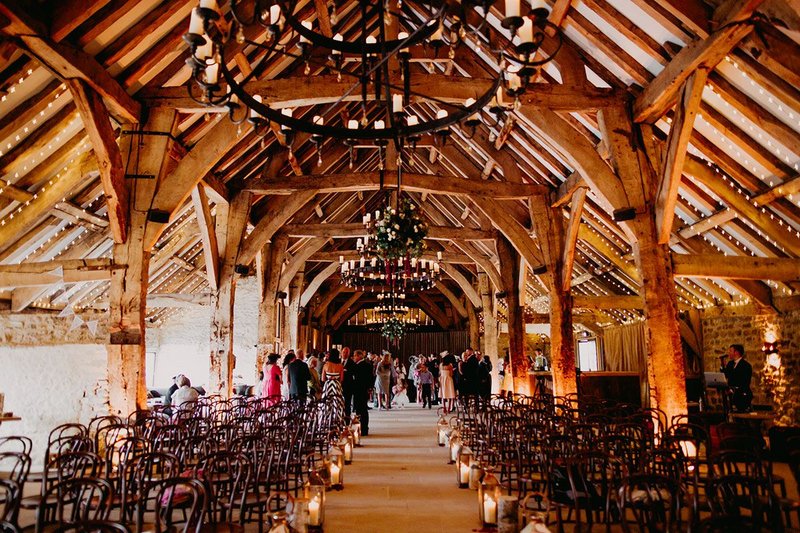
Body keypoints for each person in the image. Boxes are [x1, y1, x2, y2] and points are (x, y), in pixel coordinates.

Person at [721, 343, 753, 412]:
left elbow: (745, 382)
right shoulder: (730, 364)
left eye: (730, 351)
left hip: (742, 395)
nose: (728, 353)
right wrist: (722, 365)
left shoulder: (746, 366)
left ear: (736, 352)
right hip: (731, 395)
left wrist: (733, 389)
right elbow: (726, 375)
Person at [353, 350, 372, 436]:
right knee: (362, 409)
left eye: (355, 356)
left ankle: (362, 428)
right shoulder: (367, 365)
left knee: (361, 410)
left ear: (360, 356)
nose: (354, 357)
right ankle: (364, 428)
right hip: (363, 390)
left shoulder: (360, 365)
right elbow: (371, 378)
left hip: (359, 390)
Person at [342, 347, 357, 419]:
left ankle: (347, 419)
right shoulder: (338, 361)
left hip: (348, 385)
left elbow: (353, 373)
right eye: (344, 352)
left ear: (348, 354)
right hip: (339, 386)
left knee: (347, 403)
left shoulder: (351, 362)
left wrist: (345, 371)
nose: (344, 354)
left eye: (346, 352)